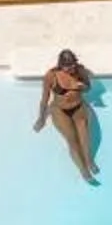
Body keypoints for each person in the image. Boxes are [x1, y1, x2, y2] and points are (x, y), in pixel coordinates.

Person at [34, 49, 99, 183]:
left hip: (78, 107)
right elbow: (44, 99)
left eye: (73, 65)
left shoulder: (80, 71)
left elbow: (88, 87)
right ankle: (84, 171)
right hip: (60, 110)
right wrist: (41, 118)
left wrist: (82, 87)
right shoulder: (51, 76)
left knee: (85, 139)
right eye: (68, 66)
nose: (71, 69)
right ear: (61, 65)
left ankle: (89, 161)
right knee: (73, 141)